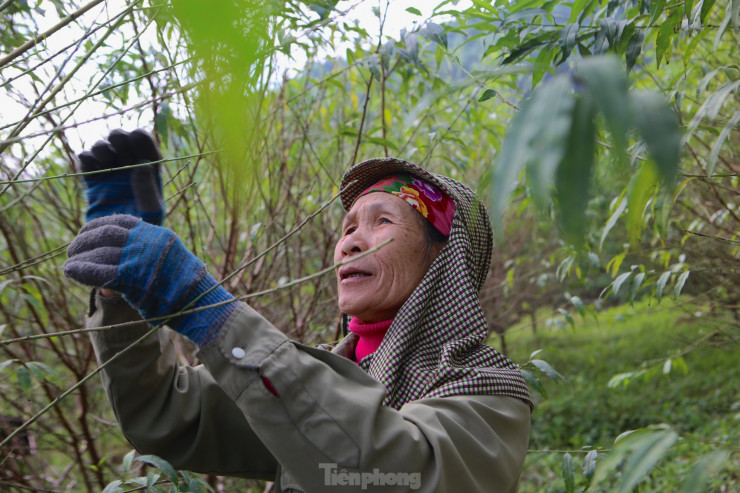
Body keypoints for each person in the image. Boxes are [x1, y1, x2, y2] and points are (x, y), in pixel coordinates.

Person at [63, 129, 532, 493]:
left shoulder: (487, 391)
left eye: (382, 221)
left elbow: (396, 475)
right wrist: (122, 296)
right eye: (348, 227)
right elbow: (166, 413)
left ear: (441, 261)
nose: (350, 241)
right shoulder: (327, 371)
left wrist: (210, 311)